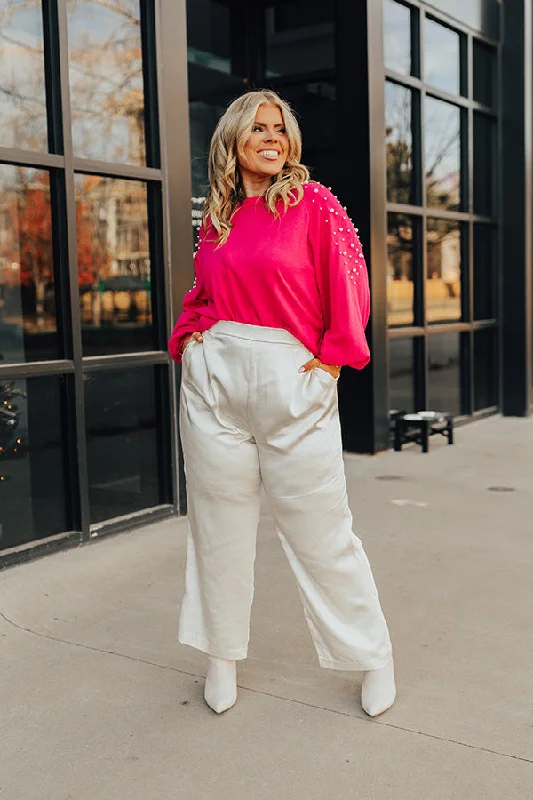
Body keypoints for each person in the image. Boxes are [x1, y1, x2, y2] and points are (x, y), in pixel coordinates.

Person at [169, 90, 396, 717]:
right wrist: (191, 345)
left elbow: (350, 286)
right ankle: (220, 656)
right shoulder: (217, 218)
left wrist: (330, 364)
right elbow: (203, 295)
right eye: (258, 127)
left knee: (323, 532)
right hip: (216, 385)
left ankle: (373, 655)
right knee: (217, 528)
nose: (271, 137)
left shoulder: (314, 205)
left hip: (292, 380)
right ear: (234, 140)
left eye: (280, 128)